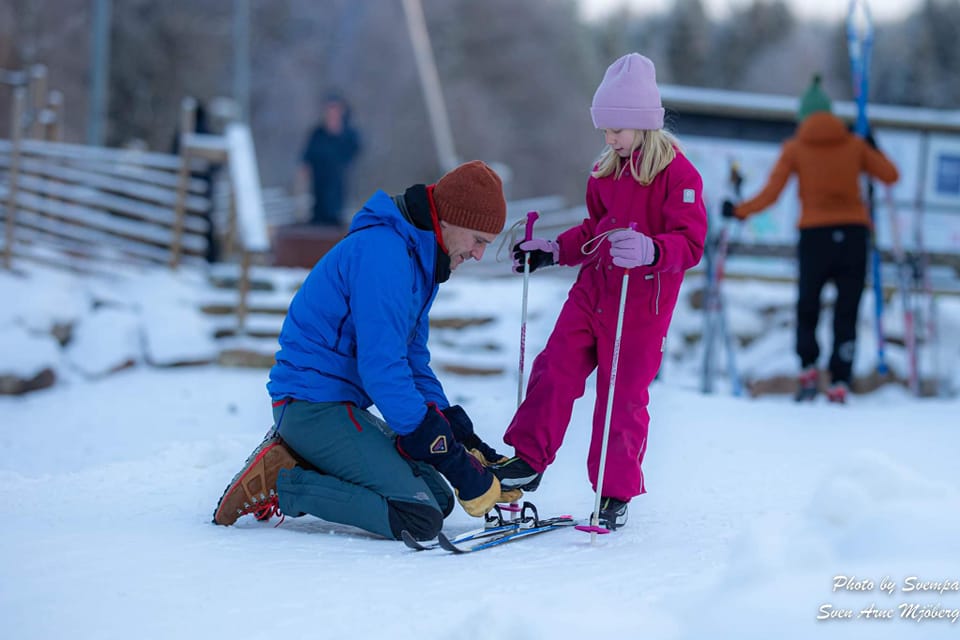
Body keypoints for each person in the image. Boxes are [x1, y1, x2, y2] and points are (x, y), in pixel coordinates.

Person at [213, 160, 521, 541]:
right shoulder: (385, 255)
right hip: (311, 405)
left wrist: (461, 438)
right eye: (478, 240)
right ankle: (285, 481)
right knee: (417, 516)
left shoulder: (419, 261)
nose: (477, 254)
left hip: (340, 406)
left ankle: (308, 459)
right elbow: (383, 369)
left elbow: (413, 362)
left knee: (438, 498)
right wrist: (449, 458)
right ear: (451, 220)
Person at [490, 53, 708, 531]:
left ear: (644, 125)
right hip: (594, 293)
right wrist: (551, 251)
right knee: (555, 368)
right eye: (604, 129)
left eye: (617, 129)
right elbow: (593, 230)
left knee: (621, 396)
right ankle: (528, 459)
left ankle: (614, 492)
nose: (609, 138)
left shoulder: (679, 176)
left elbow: (691, 244)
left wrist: (652, 249)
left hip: (641, 307)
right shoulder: (605, 170)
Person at [721, 74, 899, 404]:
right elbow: (890, 175)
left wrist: (739, 211)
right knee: (847, 309)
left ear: (803, 116)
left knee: (808, 306)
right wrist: (873, 144)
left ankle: (808, 370)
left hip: (814, 236)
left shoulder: (795, 148)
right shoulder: (855, 144)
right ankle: (840, 381)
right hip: (854, 236)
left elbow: (771, 194)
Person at [298, 92, 362, 226]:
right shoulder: (318, 133)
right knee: (318, 203)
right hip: (319, 176)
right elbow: (308, 153)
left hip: (338, 178)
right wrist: (305, 166)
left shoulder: (348, 133)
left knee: (334, 203)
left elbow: (355, 150)